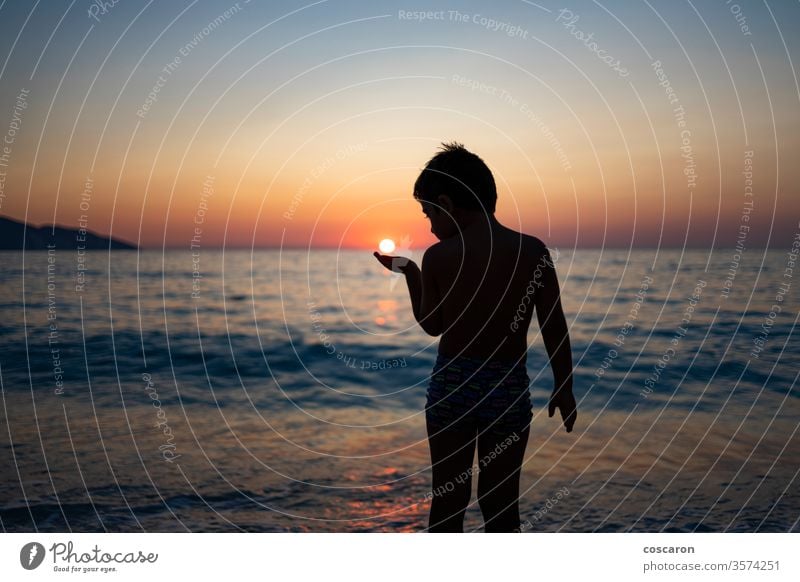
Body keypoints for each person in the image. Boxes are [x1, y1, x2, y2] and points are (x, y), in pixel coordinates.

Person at [374, 142, 576, 533]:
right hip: (507, 388)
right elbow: (555, 325)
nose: (430, 225)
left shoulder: (440, 256)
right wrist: (564, 386)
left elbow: (433, 325)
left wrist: (412, 274)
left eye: (430, 212)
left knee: (448, 500)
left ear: (447, 203)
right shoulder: (532, 251)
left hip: (453, 387)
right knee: (501, 504)